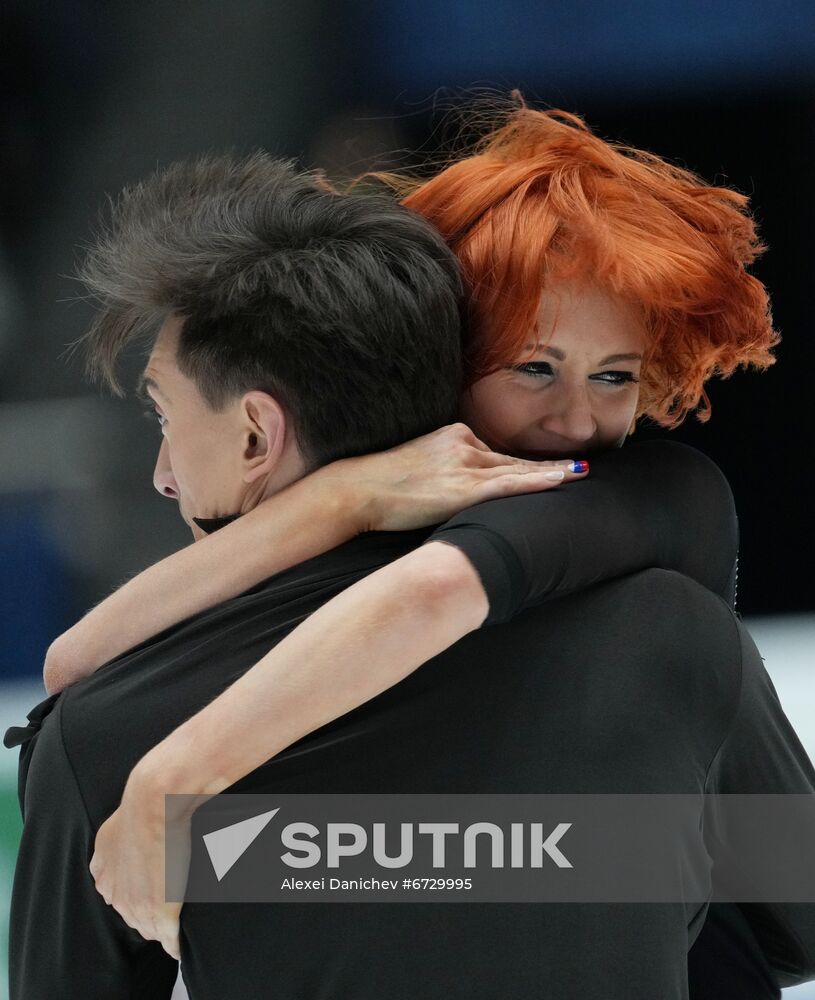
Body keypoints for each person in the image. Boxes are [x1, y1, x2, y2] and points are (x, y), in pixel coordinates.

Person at [5, 114, 811, 999]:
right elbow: (792, 923)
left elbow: (76, 671)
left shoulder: (107, 731)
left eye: (615, 376)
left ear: (255, 433)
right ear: (451, 353)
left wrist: (172, 780)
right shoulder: (668, 628)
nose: (576, 422)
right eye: (533, 368)